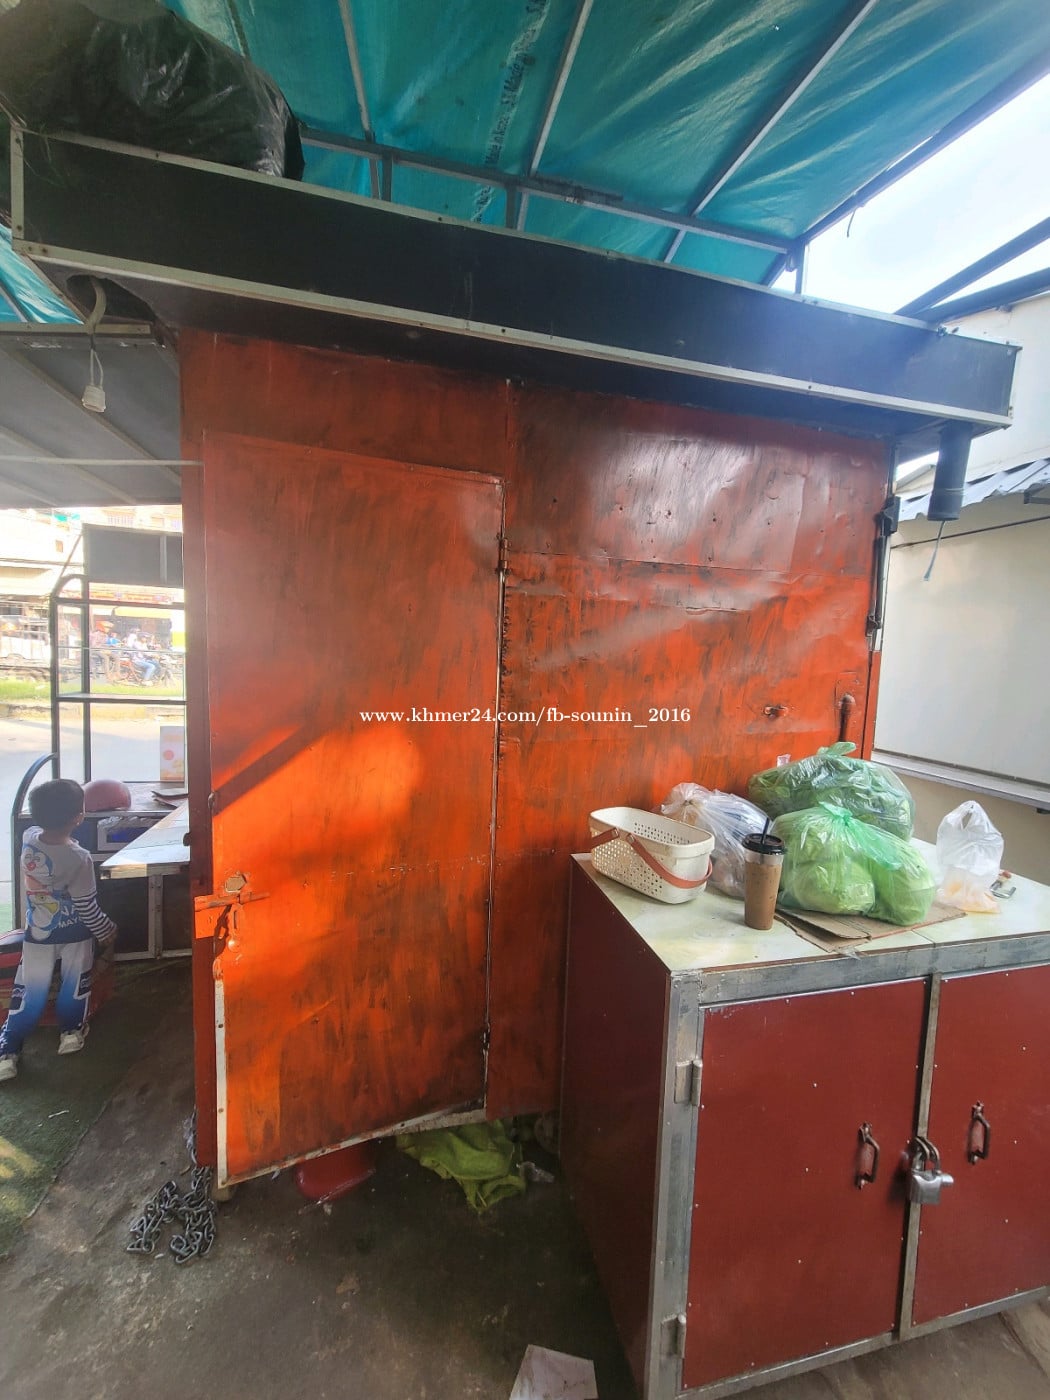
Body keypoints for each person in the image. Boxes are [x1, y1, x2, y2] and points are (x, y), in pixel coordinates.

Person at [0, 779, 117, 1081]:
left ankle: (8, 1051)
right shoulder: (79, 858)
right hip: (75, 934)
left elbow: (36, 832)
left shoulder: (29, 840)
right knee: (75, 984)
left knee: (29, 990)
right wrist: (106, 930)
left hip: (38, 933)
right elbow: (86, 906)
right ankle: (70, 1033)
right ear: (78, 818)